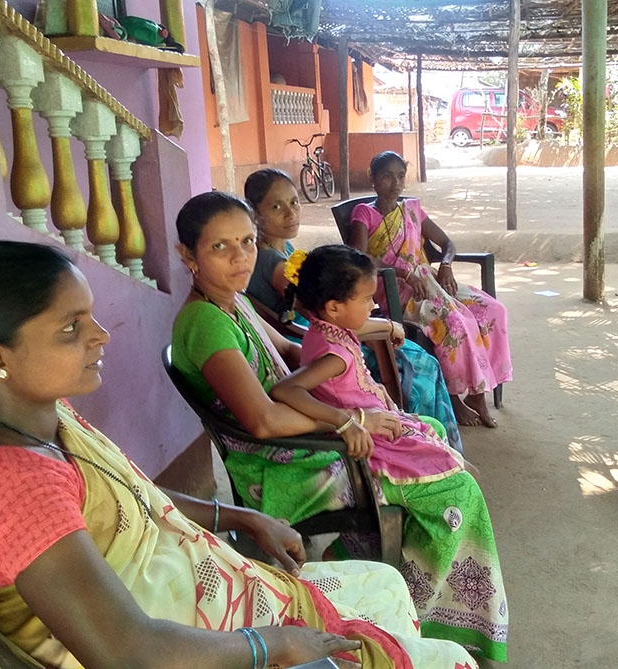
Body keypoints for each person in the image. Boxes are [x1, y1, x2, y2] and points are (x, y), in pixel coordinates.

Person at [0, 240, 478, 668]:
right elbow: (129, 651)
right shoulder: (12, 485)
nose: (101, 334)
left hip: (201, 594)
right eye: (69, 328)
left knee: (384, 584)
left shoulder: (36, 417)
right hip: (180, 644)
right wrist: (273, 643)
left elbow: (140, 499)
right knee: (448, 660)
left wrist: (242, 517)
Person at [170, 192, 507, 661]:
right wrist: (351, 417)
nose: (241, 257)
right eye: (220, 247)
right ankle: (423, 614)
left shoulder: (232, 303)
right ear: (187, 254)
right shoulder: (205, 324)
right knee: (455, 490)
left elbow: (291, 353)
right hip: (282, 462)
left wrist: (354, 341)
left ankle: (366, 571)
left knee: (422, 424)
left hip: (305, 434)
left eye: (247, 242)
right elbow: (263, 421)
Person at [270, 245, 509, 660]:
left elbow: (353, 333)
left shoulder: (327, 331)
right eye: (366, 299)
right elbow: (285, 389)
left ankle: (360, 549)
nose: (374, 302)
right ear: (334, 306)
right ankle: (425, 605)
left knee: (433, 431)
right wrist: (346, 420)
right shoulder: (332, 353)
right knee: (461, 490)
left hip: (377, 429)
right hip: (371, 449)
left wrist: (384, 324)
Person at [243, 168, 464, 452]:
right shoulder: (275, 263)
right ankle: (415, 443)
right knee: (417, 366)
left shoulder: (285, 248)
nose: (291, 213)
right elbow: (326, 319)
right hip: (321, 345)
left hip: (330, 333)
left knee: (417, 354)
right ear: (255, 213)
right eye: (277, 207)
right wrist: (386, 326)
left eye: (294, 202)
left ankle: (430, 439)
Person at [349, 151, 512, 428]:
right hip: (393, 285)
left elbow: (447, 243)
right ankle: (455, 397)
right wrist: (404, 272)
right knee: (455, 322)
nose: (395, 182)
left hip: (430, 280)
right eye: (387, 176)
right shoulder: (364, 213)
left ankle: (478, 392)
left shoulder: (412, 209)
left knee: (493, 310)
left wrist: (446, 265)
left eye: (400, 175)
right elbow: (358, 257)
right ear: (373, 178)